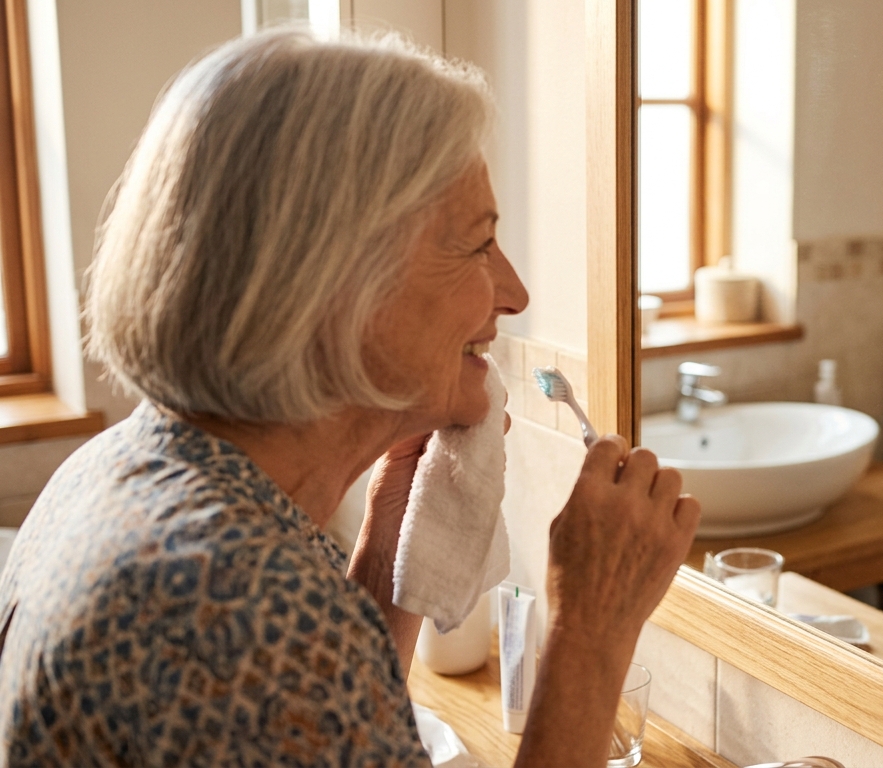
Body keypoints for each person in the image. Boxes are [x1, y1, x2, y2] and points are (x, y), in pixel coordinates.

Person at [0, 30, 700, 766]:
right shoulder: (243, 615)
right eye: (477, 246)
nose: (515, 294)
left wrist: (387, 561)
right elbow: (289, 668)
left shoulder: (123, 473)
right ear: (337, 283)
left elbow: (319, 730)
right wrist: (589, 630)